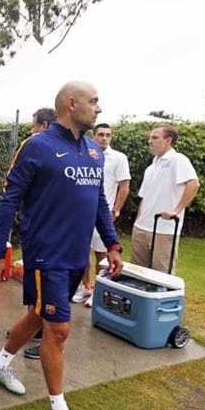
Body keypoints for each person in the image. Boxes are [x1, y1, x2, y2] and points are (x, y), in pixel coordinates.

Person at [0, 81, 123, 410]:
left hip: (77, 256)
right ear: (71, 103)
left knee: (38, 315)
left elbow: (99, 203)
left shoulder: (94, 151)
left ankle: (0, 363)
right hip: (46, 255)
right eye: (93, 101)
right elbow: (10, 201)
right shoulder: (37, 146)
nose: (98, 108)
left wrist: (112, 244)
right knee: (58, 329)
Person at [71, 123, 131, 308]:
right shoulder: (84, 154)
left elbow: (124, 186)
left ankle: (98, 290)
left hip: (103, 215)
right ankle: (85, 287)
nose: (104, 138)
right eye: (101, 135)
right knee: (82, 253)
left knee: (102, 255)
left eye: (107, 135)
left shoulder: (119, 158)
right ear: (93, 136)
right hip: (82, 215)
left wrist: (115, 210)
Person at [131, 124, 200, 273]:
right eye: (150, 137)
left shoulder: (178, 159)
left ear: (168, 140)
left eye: (155, 138)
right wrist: (138, 221)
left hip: (164, 229)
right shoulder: (151, 167)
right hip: (141, 228)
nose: (150, 141)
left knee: (161, 276)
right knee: (136, 274)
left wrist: (176, 210)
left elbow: (193, 184)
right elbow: (144, 197)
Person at [20, 107, 57, 359]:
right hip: (36, 229)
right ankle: (32, 328)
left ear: (43, 126)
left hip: (49, 232)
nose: (31, 131)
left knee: (48, 289)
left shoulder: (50, 152)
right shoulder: (38, 149)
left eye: (34, 126)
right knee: (35, 286)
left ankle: (46, 338)